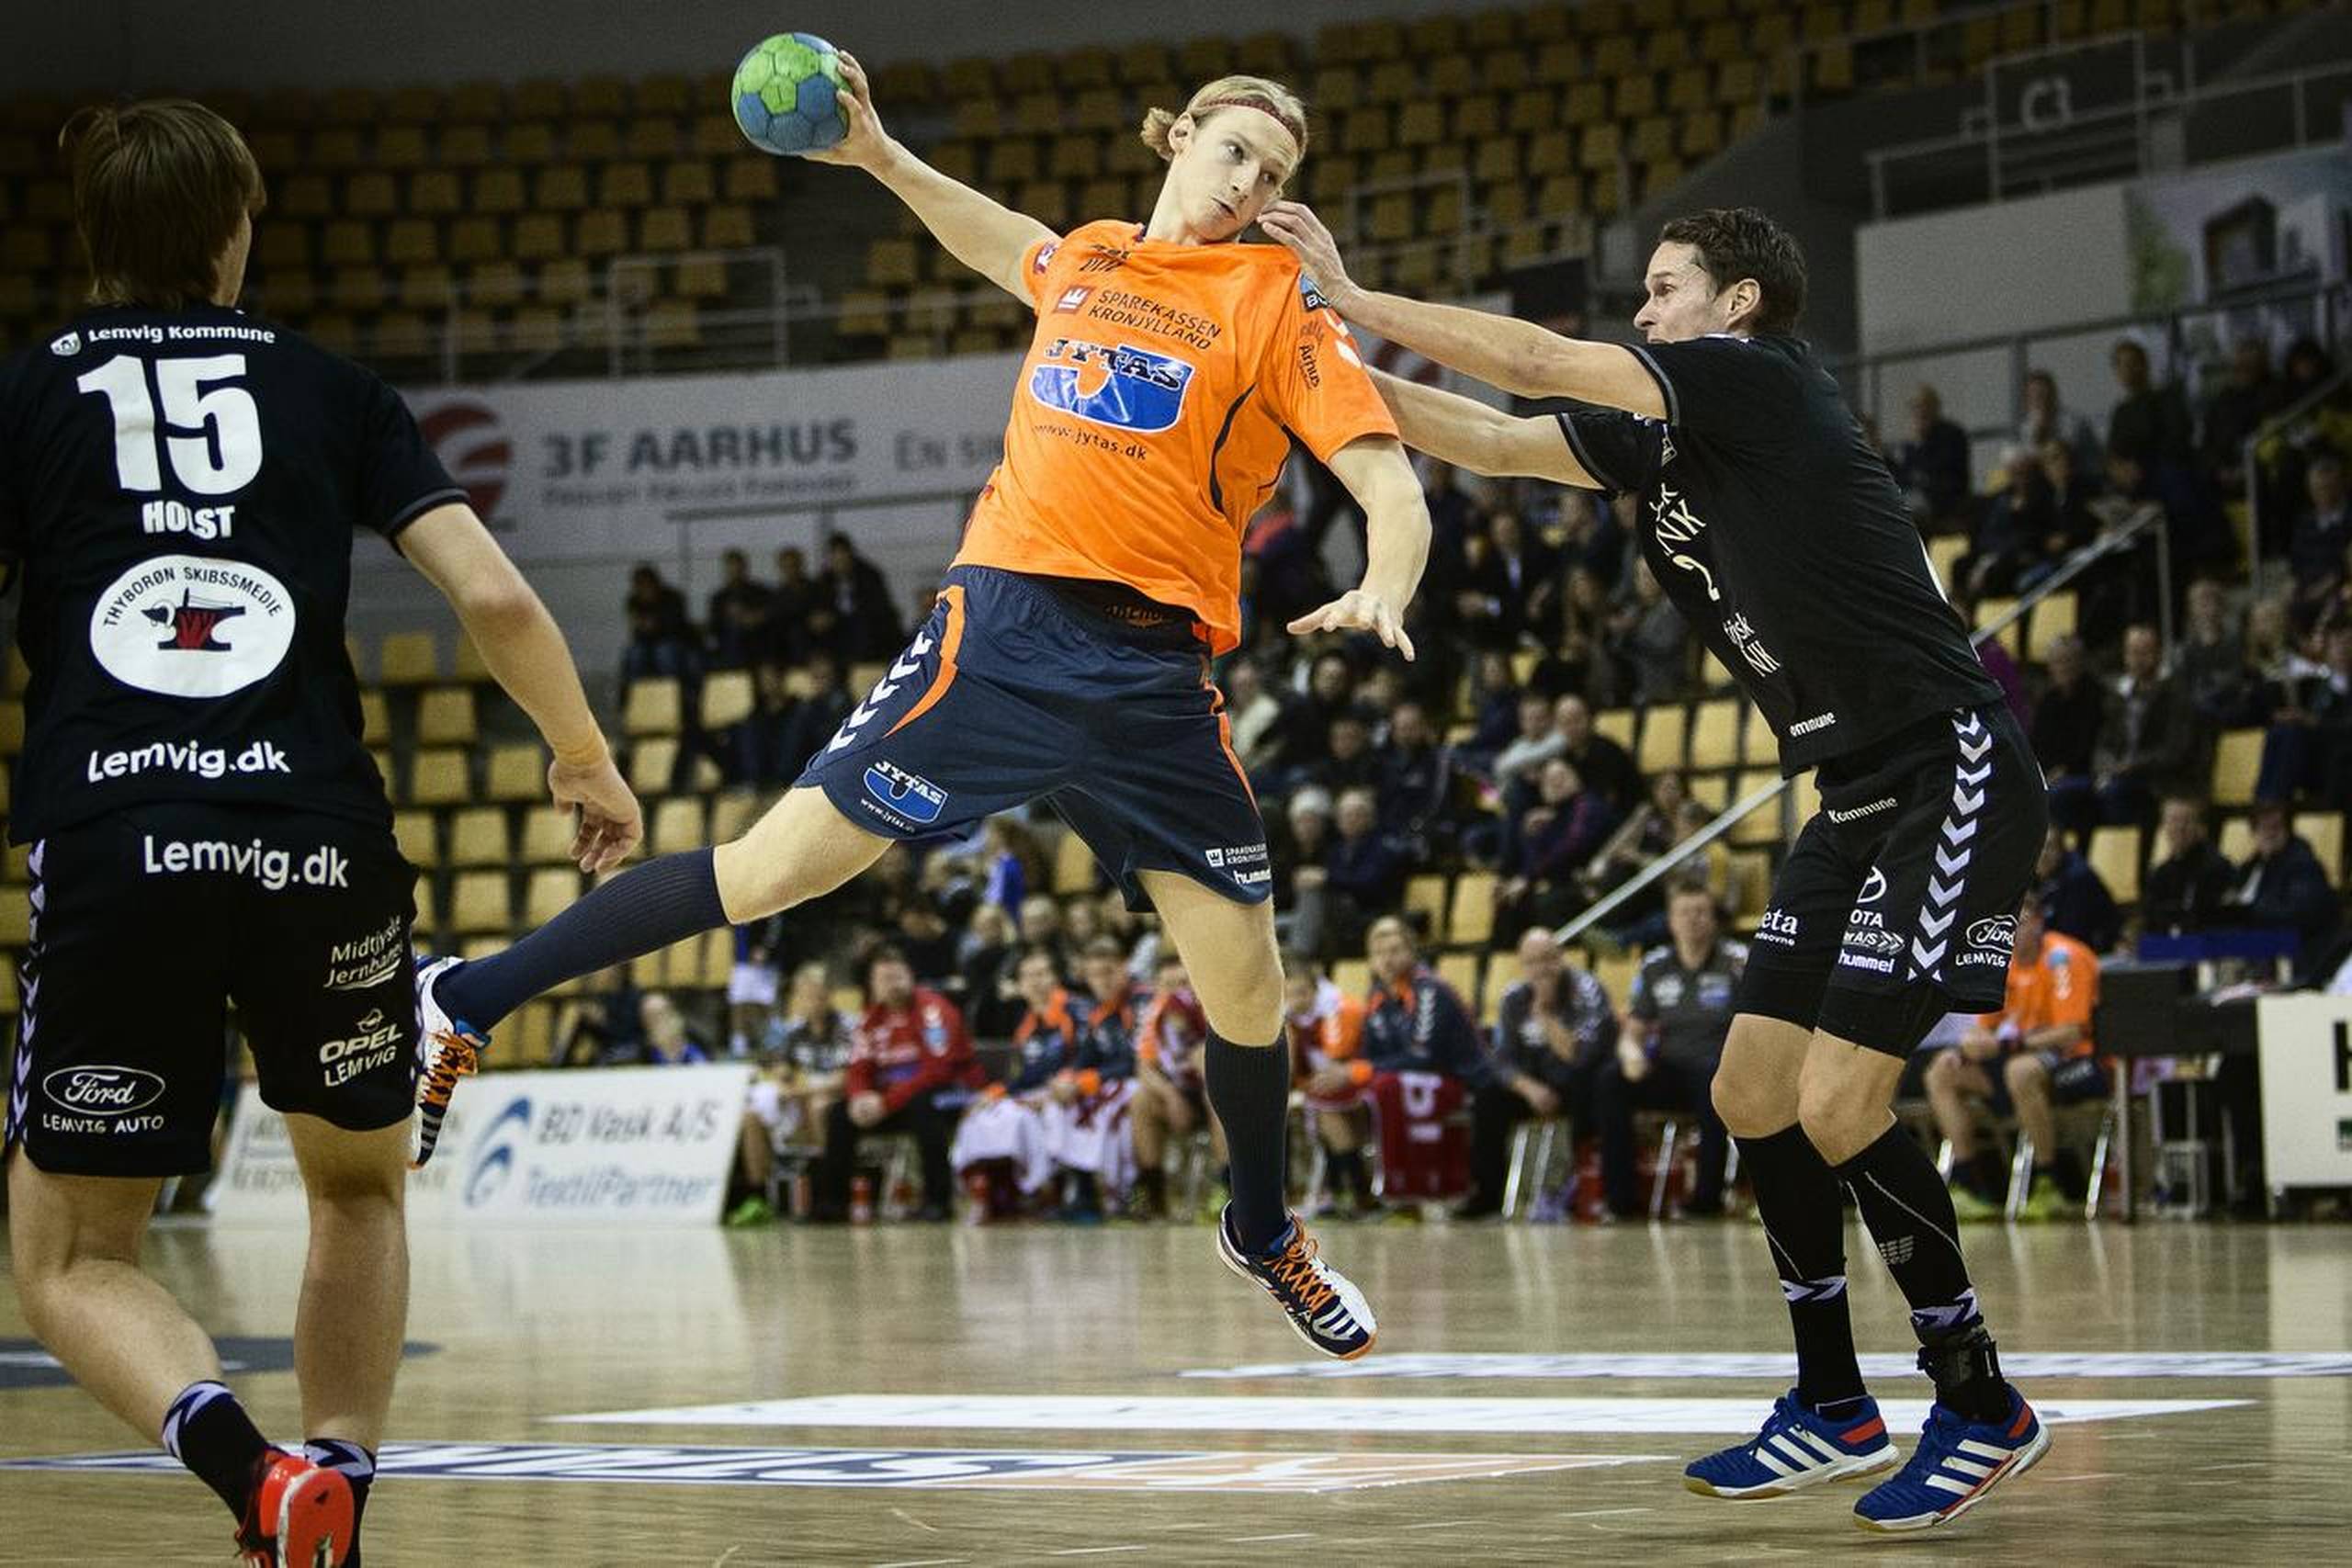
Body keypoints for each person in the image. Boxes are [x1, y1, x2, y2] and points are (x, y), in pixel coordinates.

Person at [414, 59, 1423, 1359]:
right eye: (1234, 153)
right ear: (1177, 138)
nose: (1248, 188)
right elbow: (1003, 235)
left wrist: (1384, 581)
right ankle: (468, 995)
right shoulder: (1094, 261)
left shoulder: (1273, 300)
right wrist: (881, 156)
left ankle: (1261, 1224)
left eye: (1274, 177)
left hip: (1154, 681)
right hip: (1000, 635)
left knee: (1249, 987)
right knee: (768, 872)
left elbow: (1387, 479)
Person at [1263, 200, 2052, 1523]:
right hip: (1851, 790)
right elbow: (1497, 440)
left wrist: (1345, 295)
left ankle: (1977, 1396)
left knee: (1846, 1102)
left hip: (1944, 761)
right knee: (1753, 1091)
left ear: (1734, 305)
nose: (1643, 309)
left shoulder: (1756, 379)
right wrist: (1298, 369)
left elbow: (1532, 363)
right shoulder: (1673, 437)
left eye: (1665, 287)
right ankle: (1834, 1399)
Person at [0, 99, 639, 1568]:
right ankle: (338, 1478)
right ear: (237, 230)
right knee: (356, 1186)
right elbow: (494, 598)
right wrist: (583, 756)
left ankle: (255, 1477)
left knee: (73, 1252)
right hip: (322, 840)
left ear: (95, 243)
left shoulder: (31, 391)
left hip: (122, 836)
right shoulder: (334, 387)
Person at [1921, 897, 2104, 1222]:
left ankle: (2050, 1182)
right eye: (2008, 926)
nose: (2012, 933)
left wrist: (2007, 1045)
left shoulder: (2063, 958)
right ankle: (1968, 1184)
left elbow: (2071, 1033)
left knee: (2020, 1072)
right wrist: (1966, 1048)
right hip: (2013, 1062)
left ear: (2038, 923)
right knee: (1942, 1071)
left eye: (2020, 923)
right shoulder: (2003, 965)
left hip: (2080, 1063)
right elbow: (1981, 1031)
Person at [1596, 882, 1743, 1218]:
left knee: (1711, 1081)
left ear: (1713, 919)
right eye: (1684, 913)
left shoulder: (1735, 963)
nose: (1693, 920)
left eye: (1700, 912)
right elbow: (1633, 1031)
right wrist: (1631, 1053)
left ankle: (1706, 1201)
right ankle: (1620, 1202)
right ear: (1671, 921)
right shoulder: (1655, 967)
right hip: (1670, 1068)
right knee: (1610, 1080)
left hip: (1720, 1067)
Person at [1455, 930, 1615, 1220]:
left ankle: (1576, 1190)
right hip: (1536, 1084)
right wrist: (1529, 1089)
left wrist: (1544, 1016)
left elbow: (1579, 1056)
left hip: (1578, 1082)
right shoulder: (1514, 998)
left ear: (1561, 958)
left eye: (1548, 960)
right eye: (1532, 962)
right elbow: (1502, 1059)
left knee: (1594, 1084)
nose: (1541, 969)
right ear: (1522, 965)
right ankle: (1487, 1195)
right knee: (1488, 1095)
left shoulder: (1587, 990)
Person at [815, 946, 982, 1223]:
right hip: (897, 1100)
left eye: (897, 977)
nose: (892, 985)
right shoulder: (870, 1019)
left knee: (924, 1107)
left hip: (953, 1092)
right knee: (839, 1114)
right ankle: (832, 1204)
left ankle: (937, 1202)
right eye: (884, 979)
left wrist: (886, 1102)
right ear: (873, 985)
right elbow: (858, 1068)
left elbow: (938, 1070)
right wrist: (859, 1098)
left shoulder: (933, 1011)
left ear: (910, 976)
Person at [949, 946, 1072, 1216]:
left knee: (1020, 1118)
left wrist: (1058, 1088)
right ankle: (995, 1193)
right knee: (981, 1116)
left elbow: (1084, 1060)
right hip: (1033, 1092)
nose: (1037, 983)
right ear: (1020, 985)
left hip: (1067, 1091)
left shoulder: (1074, 1011)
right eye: (1029, 977)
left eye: (1043, 974)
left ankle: (1046, 1192)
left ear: (1056, 978)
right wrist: (992, 1094)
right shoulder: (1026, 1024)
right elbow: (1023, 1076)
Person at [2141, 795, 2237, 936]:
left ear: (2201, 827)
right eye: (2173, 821)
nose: (2180, 827)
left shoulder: (2216, 868)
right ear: (2163, 827)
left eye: (2186, 821)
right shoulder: (2160, 873)